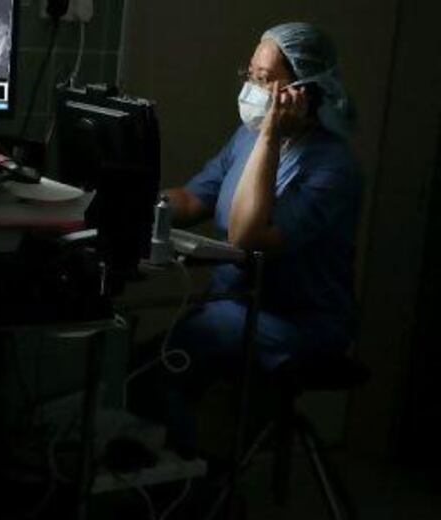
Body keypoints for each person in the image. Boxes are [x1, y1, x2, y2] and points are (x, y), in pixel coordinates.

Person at [133, 22, 362, 457]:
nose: (251, 89)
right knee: (148, 362)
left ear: (302, 92)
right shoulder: (246, 137)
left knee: (171, 359)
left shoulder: (333, 170)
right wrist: (128, 201)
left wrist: (271, 138)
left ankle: (190, 487)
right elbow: (193, 198)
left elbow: (246, 236)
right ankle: (174, 474)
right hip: (236, 306)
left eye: (263, 79)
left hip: (297, 322)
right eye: (250, 75)